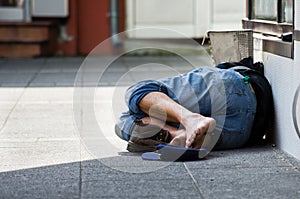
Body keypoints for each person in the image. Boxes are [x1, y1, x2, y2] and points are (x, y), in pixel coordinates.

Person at [115, 57, 273, 152]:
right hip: (247, 124)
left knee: (134, 98)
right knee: (126, 118)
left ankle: (181, 128)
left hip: (243, 130)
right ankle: (183, 131)